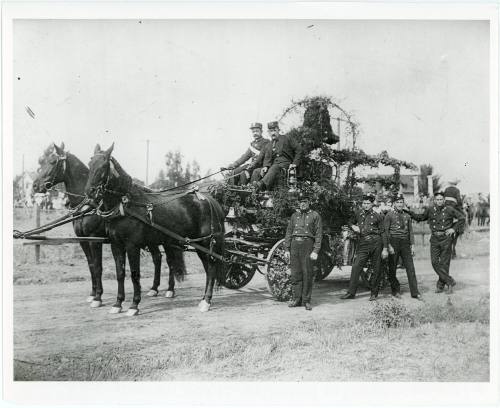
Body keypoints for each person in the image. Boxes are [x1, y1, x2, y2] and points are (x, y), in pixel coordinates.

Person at [403, 191, 465, 293]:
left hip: (446, 238)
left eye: (441, 199)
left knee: (444, 263)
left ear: (444, 200)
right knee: (434, 262)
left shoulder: (449, 209)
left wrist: (453, 229)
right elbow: (420, 217)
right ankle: (450, 281)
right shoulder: (430, 210)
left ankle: (441, 285)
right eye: (437, 200)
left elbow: (462, 218)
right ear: (434, 200)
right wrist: (408, 211)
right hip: (435, 239)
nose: (439, 201)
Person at [340, 193, 389, 301]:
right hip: (363, 243)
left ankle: (374, 293)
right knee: (356, 266)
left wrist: (385, 248)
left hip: (376, 243)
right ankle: (351, 293)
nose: (366, 205)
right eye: (364, 203)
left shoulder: (378, 216)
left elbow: (383, 233)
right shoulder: (358, 213)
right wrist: (353, 226)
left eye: (368, 203)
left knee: (377, 268)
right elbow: (349, 221)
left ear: (372, 204)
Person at [284, 192, 322, 311]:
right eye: (301, 202)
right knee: (295, 274)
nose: (303, 204)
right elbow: (289, 232)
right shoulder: (294, 216)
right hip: (295, 245)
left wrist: (315, 250)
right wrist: (287, 249)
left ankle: (306, 301)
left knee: (307, 274)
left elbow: (319, 235)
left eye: (305, 202)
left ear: (309, 202)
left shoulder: (315, 216)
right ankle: (296, 299)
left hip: (307, 245)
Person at [384, 194, 422, 299]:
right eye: (398, 202)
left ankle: (415, 292)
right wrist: (389, 245)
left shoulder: (407, 216)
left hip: (405, 243)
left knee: (410, 267)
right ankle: (395, 290)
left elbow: (410, 232)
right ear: (394, 204)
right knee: (392, 267)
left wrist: (413, 245)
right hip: (394, 242)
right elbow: (386, 232)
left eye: (401, 202)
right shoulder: (389, 215)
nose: (400, 204)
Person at [253, 121, 303, 191]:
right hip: (273, 167)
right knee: (257, 171)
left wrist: (295, 163)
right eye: (271, 131)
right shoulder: (268, 145)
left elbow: (299, 149)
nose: (273, 133)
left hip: (285, 166)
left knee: (275, 167)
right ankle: (251, 189)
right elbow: (267, 158)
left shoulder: (287, 138)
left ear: (278, 130)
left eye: (274, 130)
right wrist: (265, 166)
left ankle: (260, 185)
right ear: (268, 132)